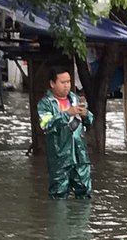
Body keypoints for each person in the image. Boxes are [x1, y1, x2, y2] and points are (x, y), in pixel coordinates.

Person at [38, 66, 93, 199]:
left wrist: (86, 114)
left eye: (68, 82)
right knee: (58, 195)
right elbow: (46, 125)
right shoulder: (45, 103)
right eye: (63, 82)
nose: (67, 85)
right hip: (59, 158)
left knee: (85, 193)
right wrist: (67, 114)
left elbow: (90, 120)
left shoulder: (75, 99)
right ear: (52, 83)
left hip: (80, 156)